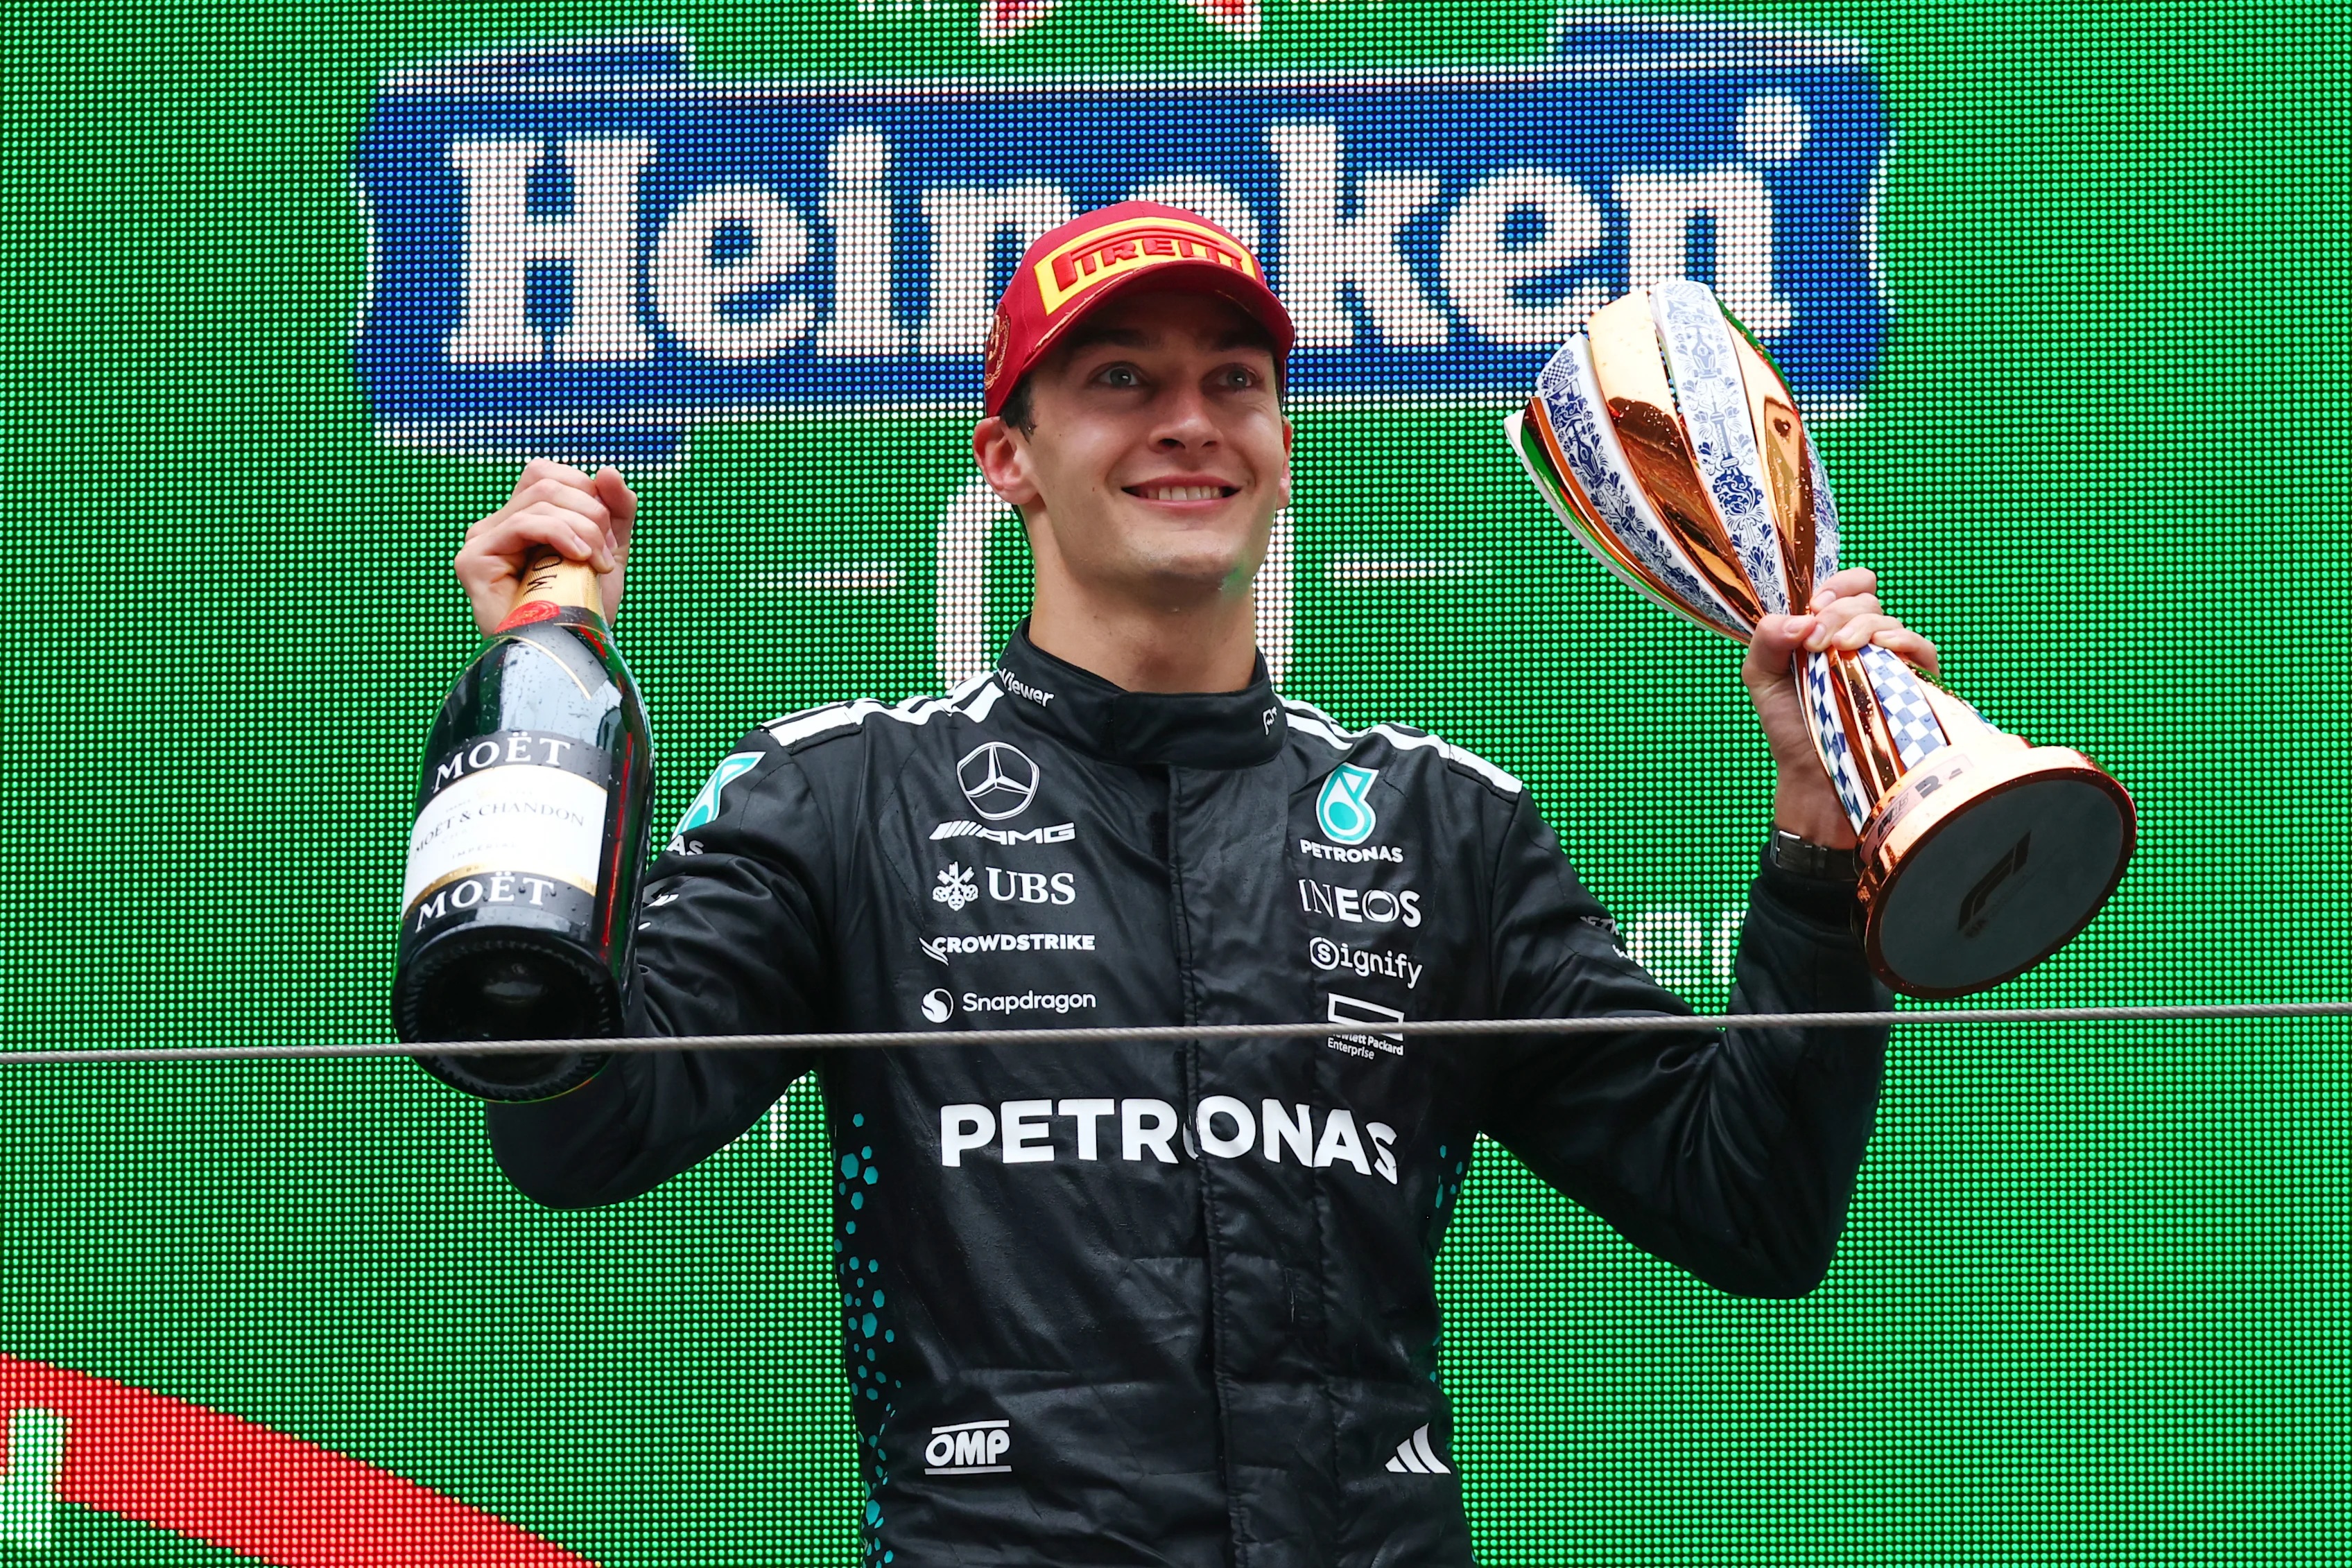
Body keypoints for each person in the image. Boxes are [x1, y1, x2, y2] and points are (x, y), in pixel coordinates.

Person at [440, 202, 1936, 1568]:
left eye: (1234, 381)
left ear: (1281, 445)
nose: (1189, 422)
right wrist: (546, 692)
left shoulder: (1441, 824)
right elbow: (580, 1130)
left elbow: (1751, 1204)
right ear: (1007, 457)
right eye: (1121, 379)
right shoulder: (843, 797)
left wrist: (1819, 840)